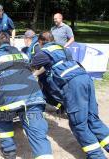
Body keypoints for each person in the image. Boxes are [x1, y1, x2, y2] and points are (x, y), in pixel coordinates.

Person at [0, 32, 53, 159]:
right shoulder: (24, 55)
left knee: (1, 116)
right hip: (34, 96)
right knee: (37, 133)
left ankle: (9, 151)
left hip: (9, 98)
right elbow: (28, 70)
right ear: (10, 43)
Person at [31, 31, 109, 159]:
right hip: (85, 78)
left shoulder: (43, 52)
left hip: (74, 84)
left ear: (40, 41)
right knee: (92, 119)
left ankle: (96, 156)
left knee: (78, 124)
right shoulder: (62, 48)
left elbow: (33, 66)